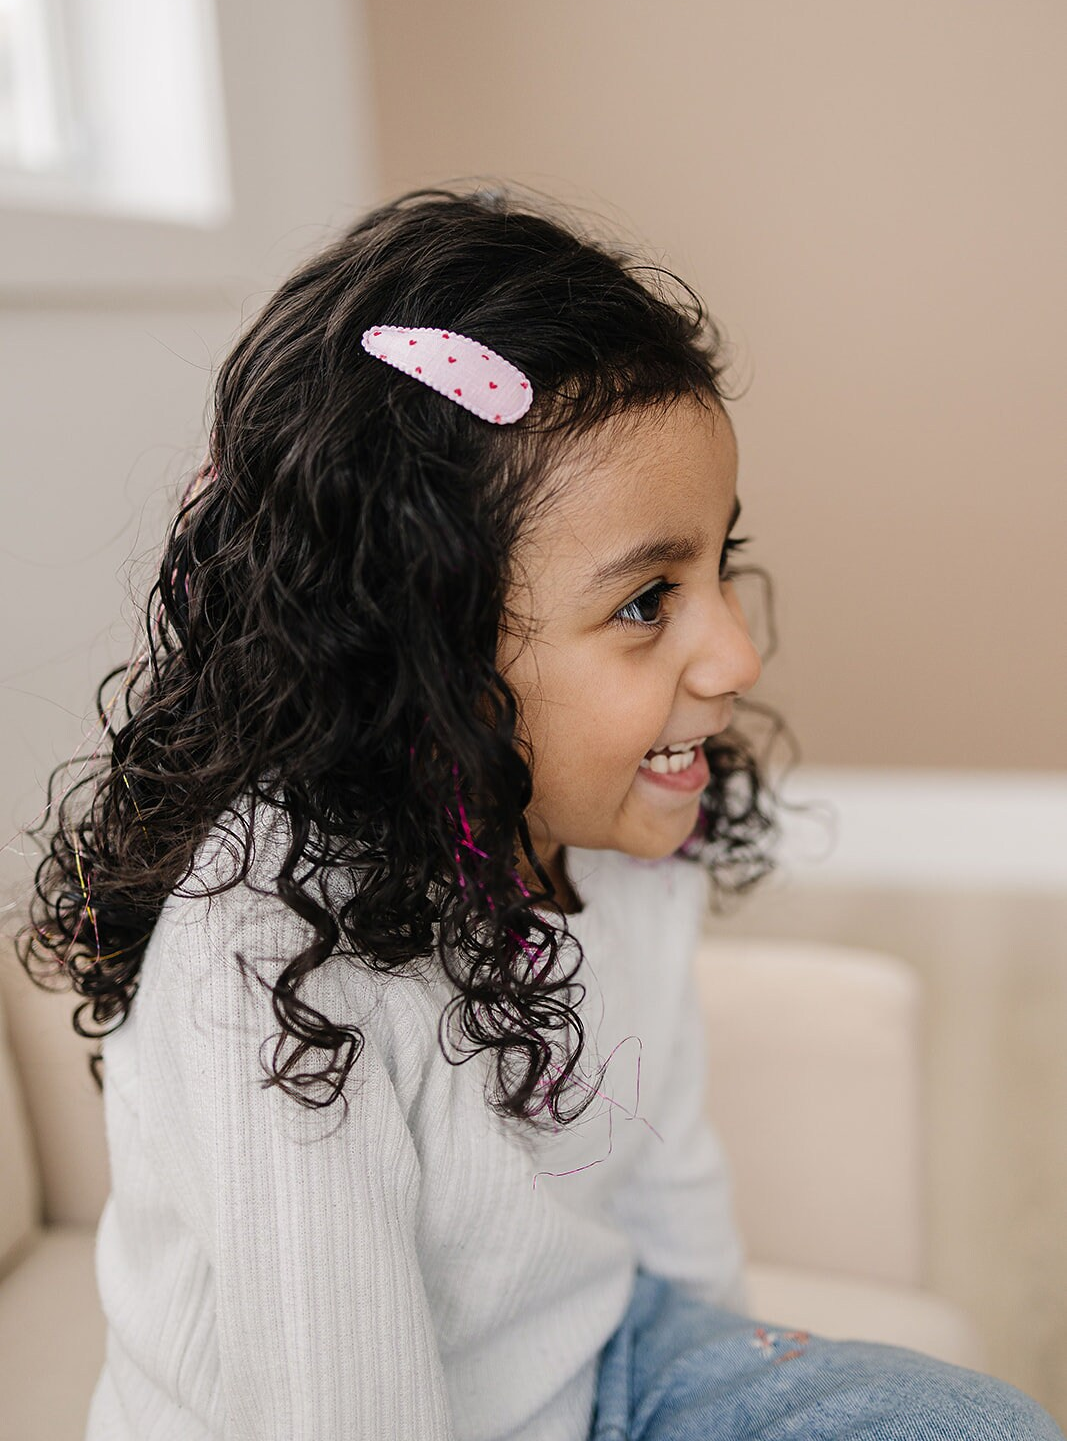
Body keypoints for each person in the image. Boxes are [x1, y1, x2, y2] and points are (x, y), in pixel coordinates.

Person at [14, 185, 1062, 1440]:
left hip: (604, 1365)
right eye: (644, 603)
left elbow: (666, 1180)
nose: (732, 652)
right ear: (420, 647)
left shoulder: (625, 829)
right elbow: (342, 1408)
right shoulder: (264, 956)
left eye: (717, 563)